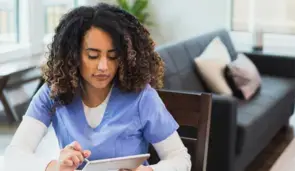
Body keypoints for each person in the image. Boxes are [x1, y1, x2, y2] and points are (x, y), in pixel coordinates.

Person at [4, 2, 191, 171]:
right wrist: (54, 167)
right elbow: (14, 156)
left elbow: (180, 158)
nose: (103, 67)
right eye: (93, 56)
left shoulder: (141, 97)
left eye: (112, 56)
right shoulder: (53, 92)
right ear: (74, 55)